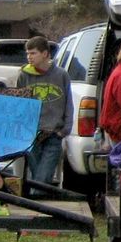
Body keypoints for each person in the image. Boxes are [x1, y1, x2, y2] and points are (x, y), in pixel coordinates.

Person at [16, 35, 73, 190]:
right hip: (32, 133)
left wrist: (65, 129)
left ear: (45, 54)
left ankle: (35, 206)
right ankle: (38, 206)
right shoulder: (24, 75)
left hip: (54, 132)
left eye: (33, 53)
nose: (29, 57)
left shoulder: (61, 75)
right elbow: (20, 104)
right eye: (27, 53)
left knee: (43, 176)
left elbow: (68, 103)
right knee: (37, 176)